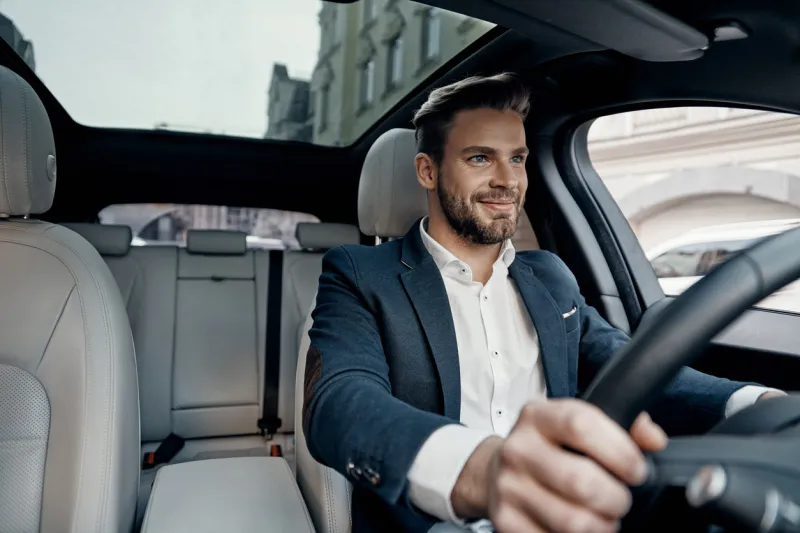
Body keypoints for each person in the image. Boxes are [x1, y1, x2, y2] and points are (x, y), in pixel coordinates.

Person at [303, 73, 784, 533]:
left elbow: (632, 367)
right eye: (479, 159)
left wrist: (757, 404)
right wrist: (484, 472)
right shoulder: (360, 273)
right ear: (428, 170)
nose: (507, 180)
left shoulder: (549, 276)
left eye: (517, 159)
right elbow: (340, 402)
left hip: (571, 511)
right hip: (433, 523)